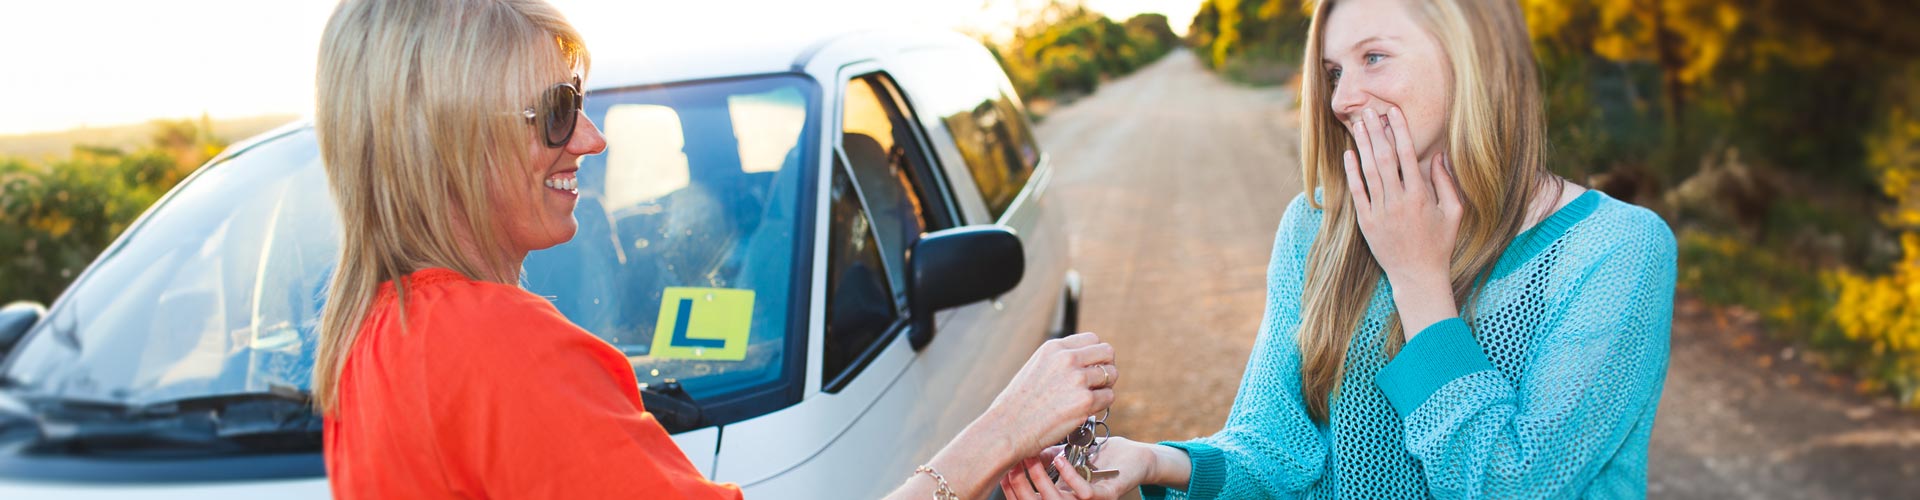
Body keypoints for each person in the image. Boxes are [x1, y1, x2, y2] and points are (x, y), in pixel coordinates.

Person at [309, 1, 1115, 498]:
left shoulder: (371, 338)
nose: (590, 139)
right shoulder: (497, 348)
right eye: (556, 112)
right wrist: (1002, 430)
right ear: (446, 139)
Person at [1001, 0, 1678, 498]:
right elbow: (1274, 450)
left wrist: (1418, 277)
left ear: (1473, 53)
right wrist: (1152, 460)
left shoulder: (1615, 248)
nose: (1342, 99)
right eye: (1331, 71)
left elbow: (1514, 484)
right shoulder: (1315, 228)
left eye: (1374, 58)